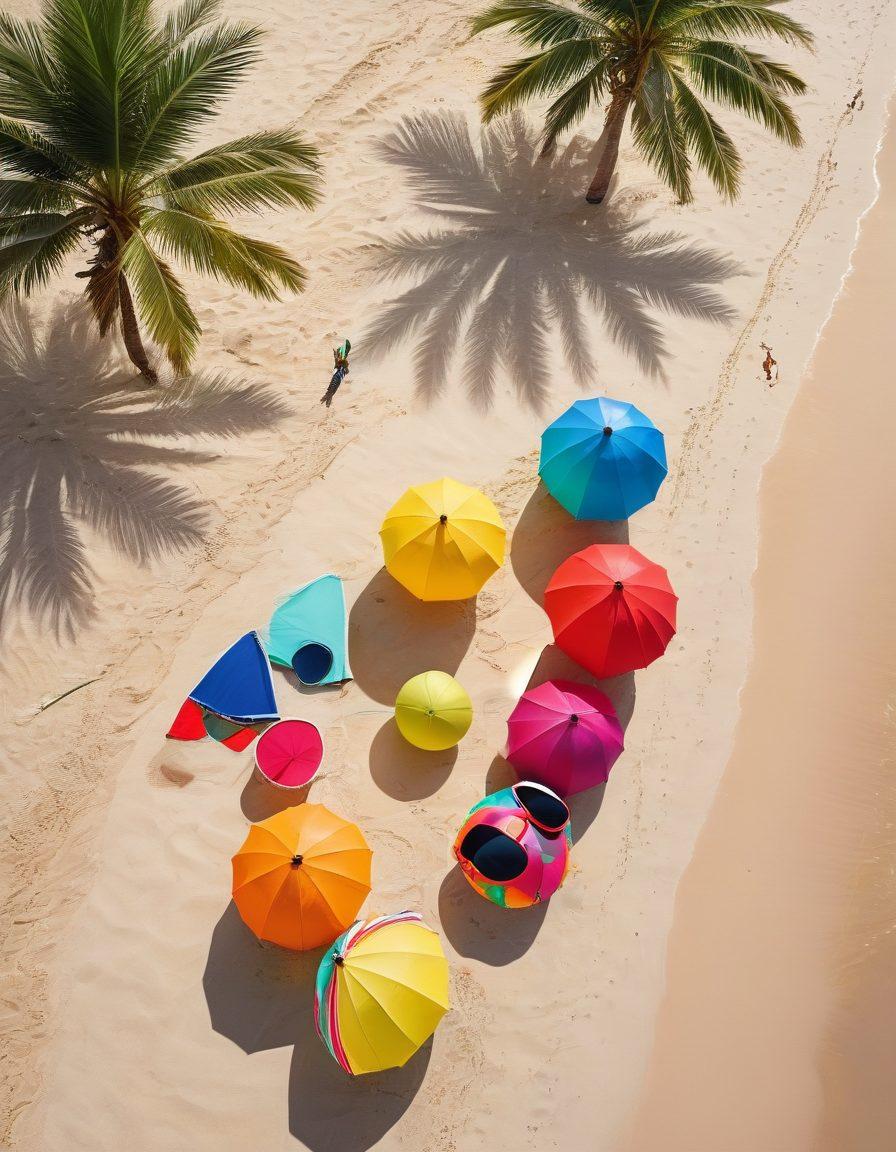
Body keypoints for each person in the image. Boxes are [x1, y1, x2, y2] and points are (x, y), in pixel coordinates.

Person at [320, 338, 351, 408]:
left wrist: (337, 357)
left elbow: (346, 371)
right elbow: (338, 361)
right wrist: (336, 355)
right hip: (336, 379)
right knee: (330, 393)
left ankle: (326, 407)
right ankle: (322, 405)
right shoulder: (340, 364)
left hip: (337, 379)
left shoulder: (343, 365)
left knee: (331, 393)